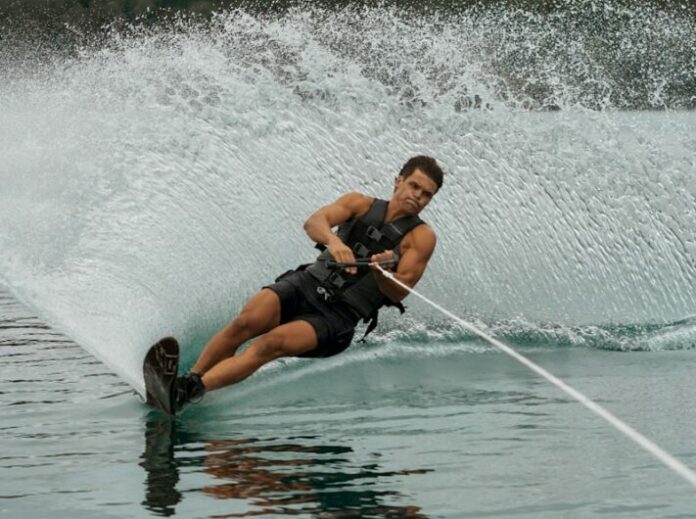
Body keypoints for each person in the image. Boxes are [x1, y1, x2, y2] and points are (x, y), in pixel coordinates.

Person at [174, 155, 444, 410]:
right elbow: (315, 222)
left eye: (426, 194)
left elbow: (400, 291)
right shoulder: (359, 203)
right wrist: (334, 241)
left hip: (338, 316)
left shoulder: (420, 238)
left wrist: (379, 272)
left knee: (271, 343)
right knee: (246, 322)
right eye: (414, 186)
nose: (417, 196)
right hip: (307, 283)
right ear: (398, 180)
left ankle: (190, 391)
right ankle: (189, 379)